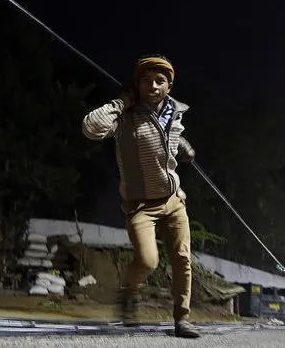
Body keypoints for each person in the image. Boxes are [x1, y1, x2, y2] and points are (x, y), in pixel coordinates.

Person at [81, 55, 200, 339]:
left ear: (169, 86)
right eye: (146, 80)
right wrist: (121, 102)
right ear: (137, 85)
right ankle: (127, 294)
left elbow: (169, 141)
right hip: (140, 206)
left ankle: (182, 318)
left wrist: (183, 145)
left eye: (160, 81)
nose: (153, 86)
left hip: (173, 200)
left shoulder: (174, 114)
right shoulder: (125, 117)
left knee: (182, 259)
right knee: (148, 260)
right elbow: (90, 128)